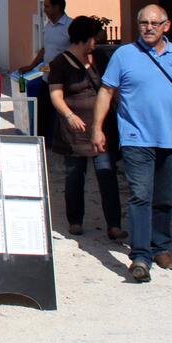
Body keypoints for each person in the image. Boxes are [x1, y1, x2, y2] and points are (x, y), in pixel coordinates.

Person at [93, 4, 172, 282]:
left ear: (166, 26)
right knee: (140, 195)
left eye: (155, 23)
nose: (149, 27)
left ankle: (161, 248)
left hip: (171, 138)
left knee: (166, 199)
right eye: (144, 22)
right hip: (136, 138)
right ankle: (141, 257)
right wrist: (97, 128)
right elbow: (106, 92)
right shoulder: (124, 55)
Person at [46, 16, 124, 240]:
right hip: (75, 130)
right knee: (74, 175)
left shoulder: (100, 58)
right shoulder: (60, 63)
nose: (96, 43)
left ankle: (114, 224)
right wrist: (69, 116)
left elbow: (111, 88)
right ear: (83, 38)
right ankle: (75, 220)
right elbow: (56, 94)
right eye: (93, 38)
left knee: (107, 174)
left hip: (101, 128)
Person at [19, 0, 72, 75]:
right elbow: (45, 49)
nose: (44, 10)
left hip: (64, 80)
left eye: (47, 7)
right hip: (47, 77)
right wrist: (31, 67)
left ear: (57, 7)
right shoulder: (48, 25)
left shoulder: (71, 26)